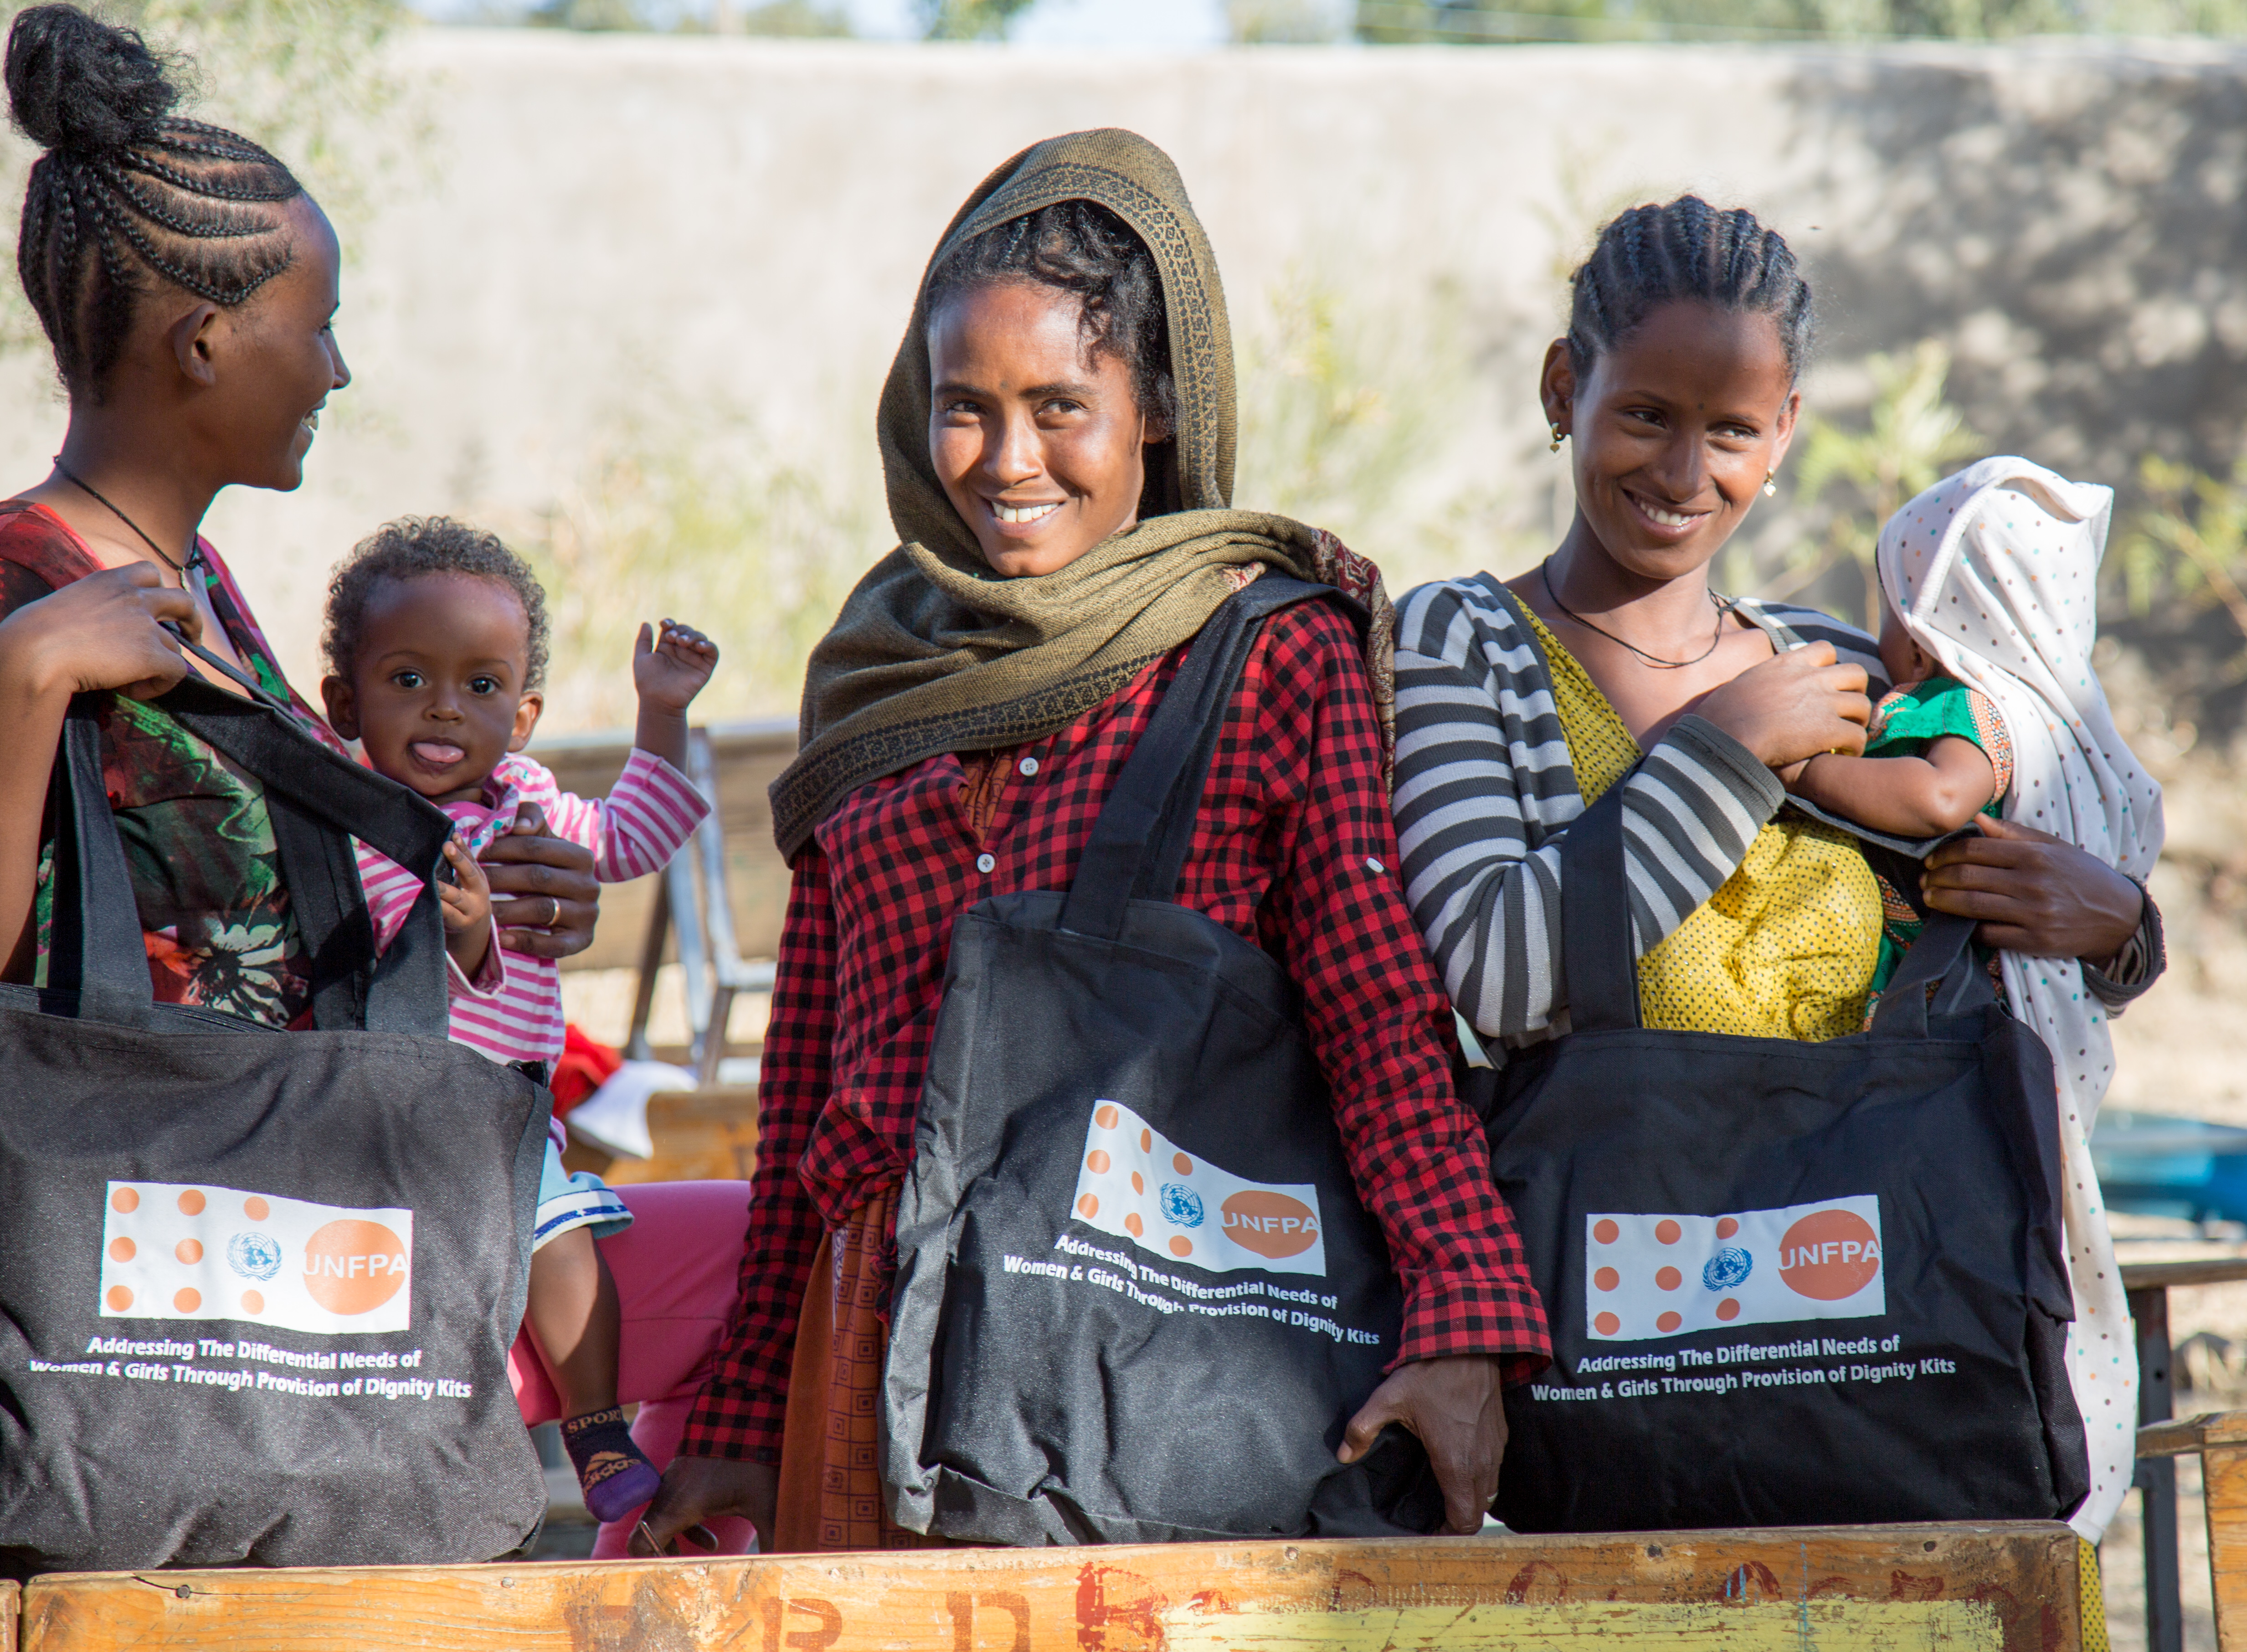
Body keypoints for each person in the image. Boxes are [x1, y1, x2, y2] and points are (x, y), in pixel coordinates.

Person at [638, 128, 1549, 1555]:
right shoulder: (878, 678)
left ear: (1157, 414)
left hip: (1156, 1350)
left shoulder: (1261, 652)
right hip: (873, 1347)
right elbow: (808, 1080)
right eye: (963, 408)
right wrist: (748, 1416)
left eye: (1060, 404)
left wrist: (1462, 1317)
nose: (1006, 462)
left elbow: (1376, 1009)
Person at [0, 5, 746, 1565]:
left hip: (296, 1226)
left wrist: (468, 913)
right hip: (166, 1275)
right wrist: (26, 678)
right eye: (315, 319)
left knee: (789, 1262)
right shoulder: (31, 581)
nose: (337, 361)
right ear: (203, 342)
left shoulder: (199, 587)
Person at [1390, 198, 2163, 1636]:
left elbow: (1981, 937)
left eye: (1731, 431)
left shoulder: (1827, 666)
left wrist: (2115, 923)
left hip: (1864, 1347)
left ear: (1786, 431)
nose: (1683, 472)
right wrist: (1720, 753)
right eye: (1643, 416)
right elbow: (1490, 966)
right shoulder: (1465, 641)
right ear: (1563, 393)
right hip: (1606, 1349)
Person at [318, 516, 720, 1527]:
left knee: (562, 1237)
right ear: (343, 701)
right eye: (407, 680)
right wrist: (447, 941)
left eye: (482, 686)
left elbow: (632, 837)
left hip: (507, 1111)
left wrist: (660, 710)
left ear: (526, 714)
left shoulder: (526, 806)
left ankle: (592, 1425)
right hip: (388, 1118)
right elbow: (338, 959)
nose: (445, 706)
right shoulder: (347, 822)